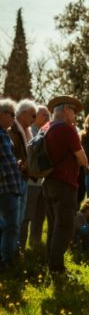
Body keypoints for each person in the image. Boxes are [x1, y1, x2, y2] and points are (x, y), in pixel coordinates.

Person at [43, 95, 88, 274]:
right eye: (73, 111)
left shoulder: (45, 128)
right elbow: (83, 160)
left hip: (48, 182)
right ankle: (56, 268)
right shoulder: (67, 130)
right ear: (65, 110)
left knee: (53, 226)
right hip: (65, 184)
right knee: (64, 227)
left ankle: (50, 264)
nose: (75, 116)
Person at [0, 98, 24, 270]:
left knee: (9, 225)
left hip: (11, 186)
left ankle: (7, 257)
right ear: (2, 114)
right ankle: (7, 261)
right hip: (5, 187)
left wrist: (16, 166)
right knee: (11, 225)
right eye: (11, 115)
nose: (13, 119)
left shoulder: (5, 135)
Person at [12, 99, 38, 252]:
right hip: (15, 178)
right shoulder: (12, 129)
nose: (34, 119)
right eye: (32, 115)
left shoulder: (26, 131)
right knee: (14, 218)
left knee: (20, 217)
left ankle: (15, 250)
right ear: (23, 114)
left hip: (24, 177)